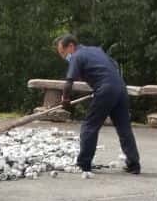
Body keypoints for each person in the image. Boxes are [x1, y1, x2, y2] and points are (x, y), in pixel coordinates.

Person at [53, 33, 142, 177]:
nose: (64, 57)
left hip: (106, 89)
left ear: (71, 46)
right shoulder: (96, 50)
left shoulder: (77, 55)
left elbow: (69, 82)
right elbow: (112, 66)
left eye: (63, 53)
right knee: (124, 127)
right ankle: (134, 165)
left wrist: (65, 99)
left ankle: (83, 164)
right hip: (120, 87)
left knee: (89, 126)